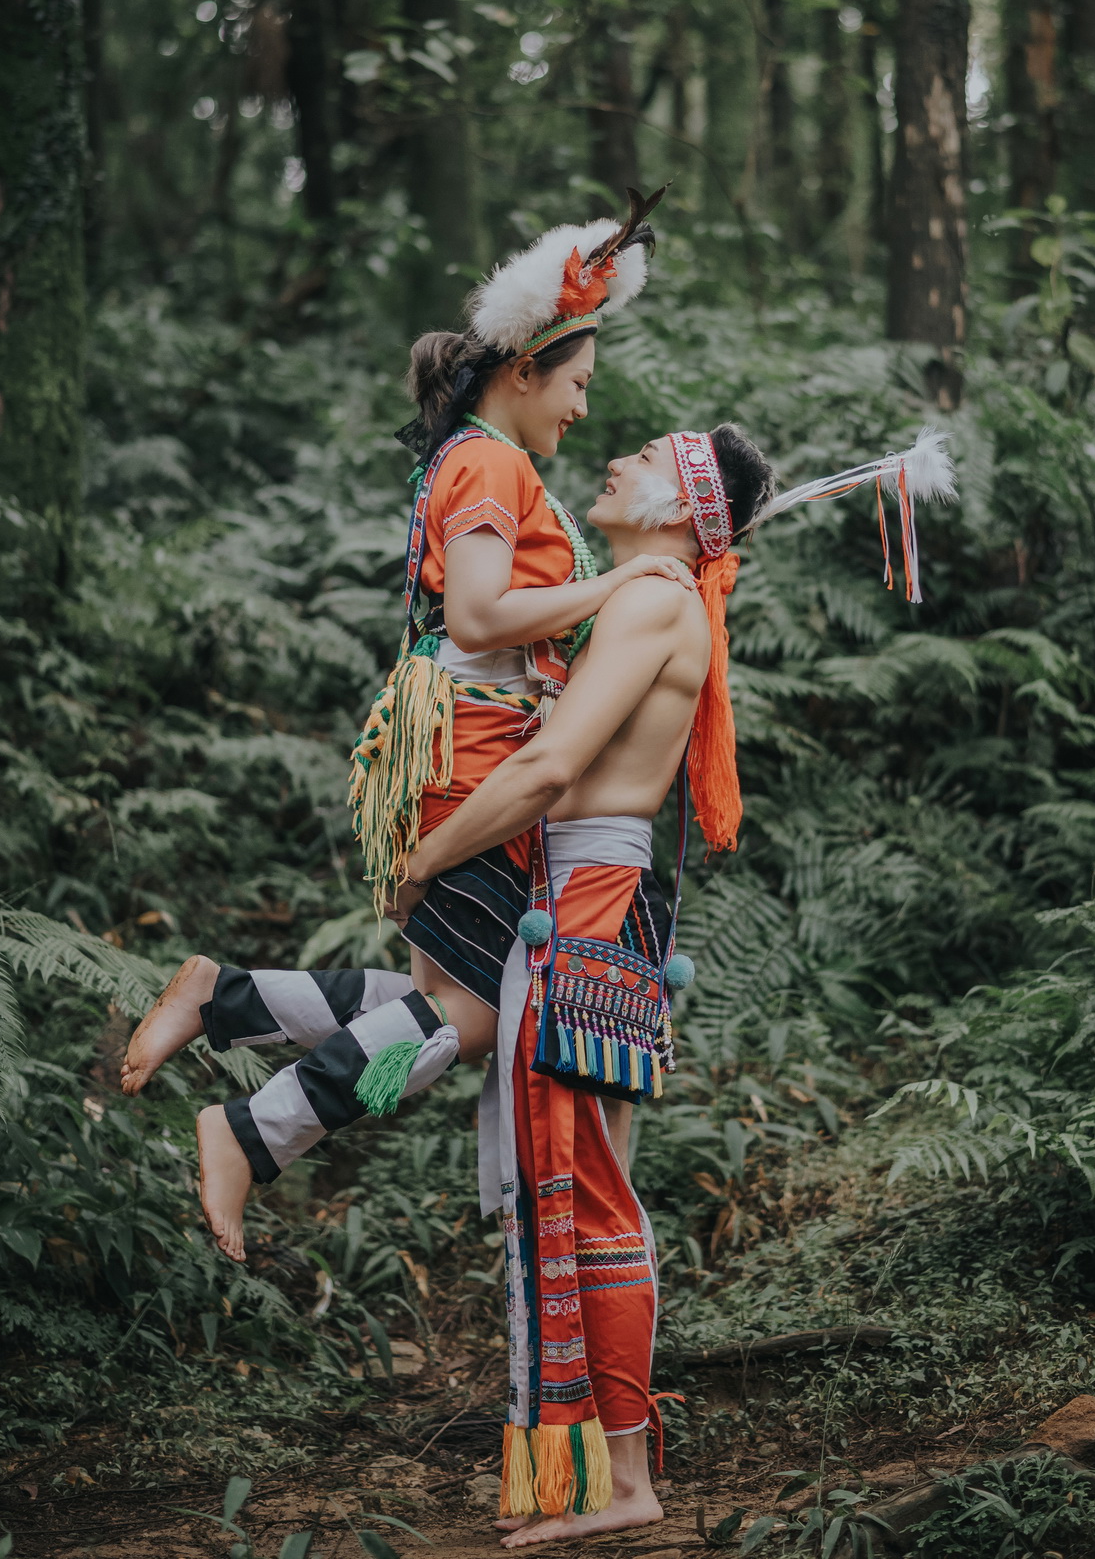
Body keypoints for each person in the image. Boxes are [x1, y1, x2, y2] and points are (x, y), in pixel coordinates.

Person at [382, 420, 955, 1546]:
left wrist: (420, 863)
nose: (613, 458)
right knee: (577, 1183)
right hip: (589, 905)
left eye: (640, 457)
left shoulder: (651, 601)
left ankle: (626, 1479)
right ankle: (597, 1469)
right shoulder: (644, 591)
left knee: (586, 1192)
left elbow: (550, 769)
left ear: (684, 508)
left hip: (584, 906)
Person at [120, 192, 696, 1258]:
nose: (580, 409)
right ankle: (252, 1126)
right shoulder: (489, 462)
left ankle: (227, 1001)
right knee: (468, 1021)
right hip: (477, 748)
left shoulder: (489, 461)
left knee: (440, 1005)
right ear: (522, 370)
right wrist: (617, 586)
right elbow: (478, 614)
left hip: (472, 739)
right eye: (575, 383)